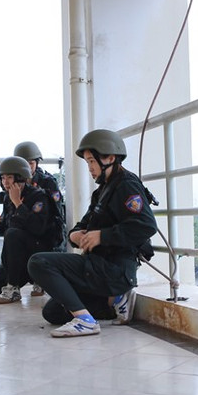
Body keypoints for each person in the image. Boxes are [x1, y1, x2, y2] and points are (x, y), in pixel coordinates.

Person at [27, 129, 157, 337]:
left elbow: (146, 225)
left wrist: (102, 236)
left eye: (91, 162)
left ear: (110, 158)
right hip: (98, 266)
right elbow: (82, 224)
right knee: (52, 312)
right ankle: (114, 300)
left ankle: (85, 320)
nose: (89, 168)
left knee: (38, 262)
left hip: (114, 269)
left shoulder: (126, 185)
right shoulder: (103, 190)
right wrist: (75, 235)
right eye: (87, 162)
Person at [0, 140, 67, 295]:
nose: (6, 182)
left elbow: (43, 226)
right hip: (20, 250)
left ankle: (20, 283)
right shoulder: (9, 196)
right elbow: (6, 229)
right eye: (3, 178)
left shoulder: (41, 192)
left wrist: (19, 204)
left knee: (14, 234)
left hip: (42, 246)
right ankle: (26, 275)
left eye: (9, 178)